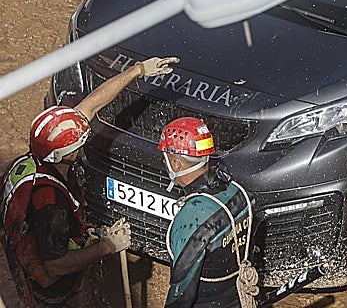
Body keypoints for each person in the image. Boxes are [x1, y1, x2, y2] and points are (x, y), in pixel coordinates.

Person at [2, 56, 178, 308]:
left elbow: (92, 105)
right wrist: (107, 246)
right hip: (52, 292)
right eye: (80, 142)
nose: (84, 142)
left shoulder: (31, 161)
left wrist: (138, 71)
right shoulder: (51, 204)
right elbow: (57, 265)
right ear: (67, 153)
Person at [161, 117, 253, 308]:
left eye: (166, 158)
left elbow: (182, 295)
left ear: (176, 164)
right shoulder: (237, 191)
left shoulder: (191, 221)